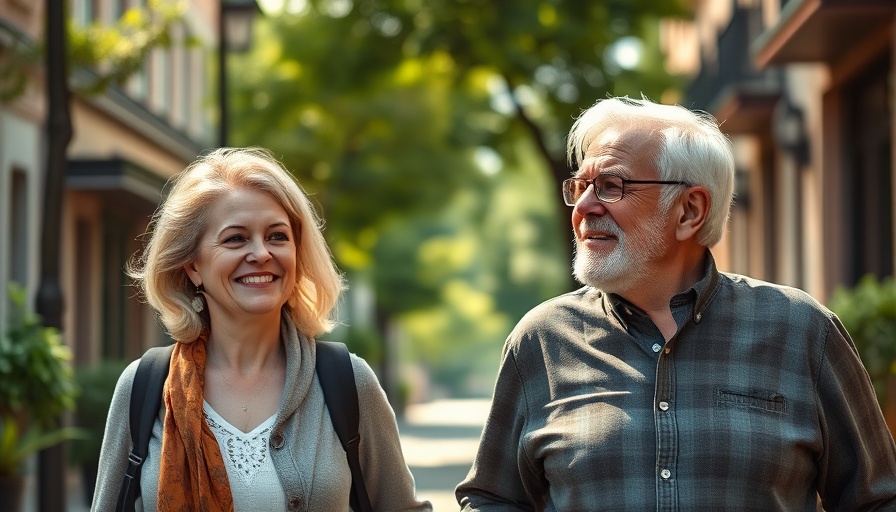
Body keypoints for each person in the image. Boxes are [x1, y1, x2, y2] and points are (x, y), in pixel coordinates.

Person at [455, 97, 896, 511]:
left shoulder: (803, 332)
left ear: (689, 211)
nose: (584, 206)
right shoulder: (542, 340)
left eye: (611, 186)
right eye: (581, 186)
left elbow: (878, 499)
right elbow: (491, 498)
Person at [91, 147, 431, 511]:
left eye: (278, 236)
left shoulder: (349, 383)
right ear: (192, 266)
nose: (262, 253)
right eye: (236, 238)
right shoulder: (144, 389)